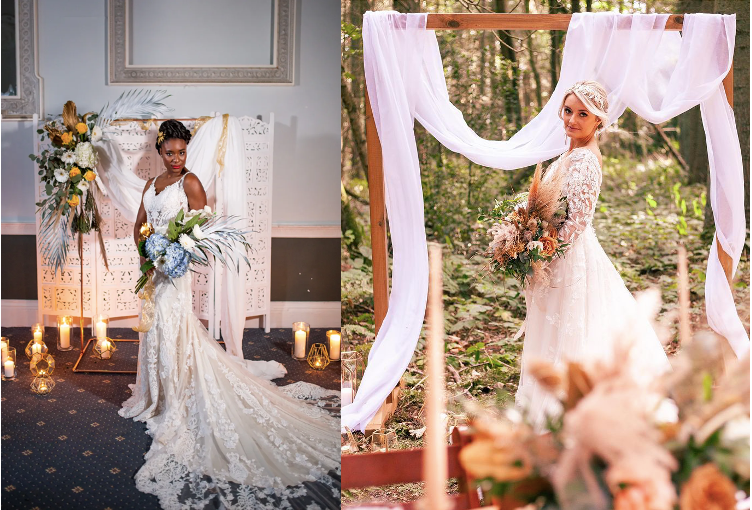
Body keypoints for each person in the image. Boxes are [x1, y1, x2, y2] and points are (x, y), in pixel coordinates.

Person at [119, 120, 339, 509]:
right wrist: (147, 250)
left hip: (175, 273)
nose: (176, 158)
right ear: (159, 152)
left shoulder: (190, 183)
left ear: (187, 152)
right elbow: (139, 226)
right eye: (169, 152)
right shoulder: (150, 186)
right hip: (153, 270)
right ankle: (158, 395)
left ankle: (178, 396)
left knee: (174, 328)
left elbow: (203, 233)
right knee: (154, 331)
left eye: (181, 152)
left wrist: (176, 252)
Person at [516, 81, 671, 428]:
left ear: (598, 121)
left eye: (582, 114)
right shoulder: (570, 153)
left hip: (570, 261)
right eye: (569, 111)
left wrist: (545, 250)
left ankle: (572, 415)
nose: (572, 119)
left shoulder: (586, 159)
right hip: (556, 255)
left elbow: (577, 222)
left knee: (577, 335)